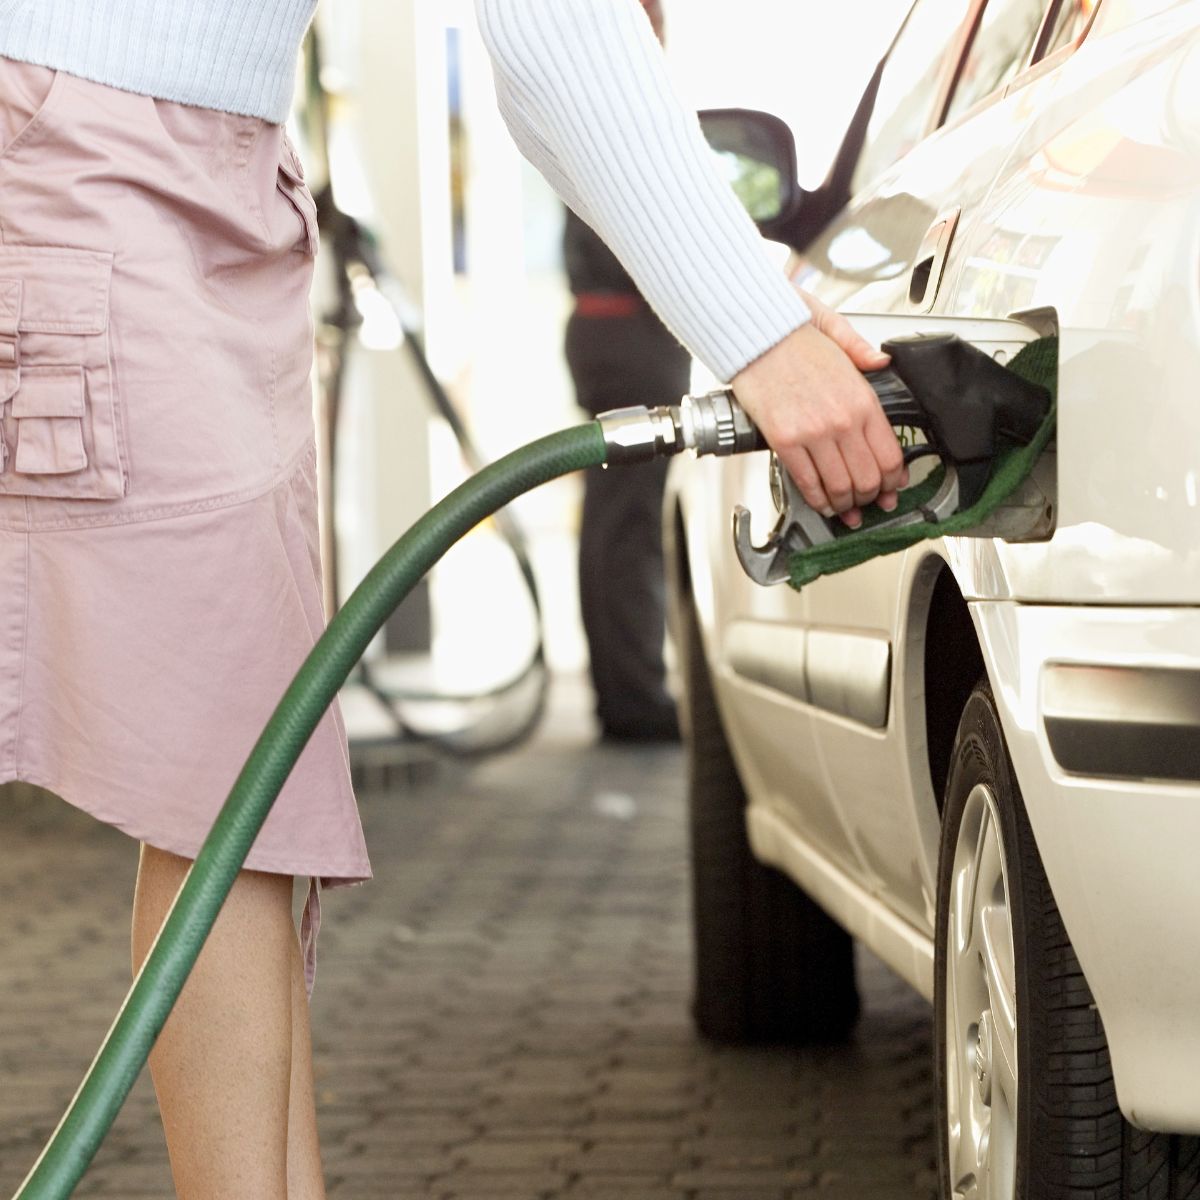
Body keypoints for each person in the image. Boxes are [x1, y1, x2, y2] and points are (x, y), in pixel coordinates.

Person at [0, 1, 905, 1196]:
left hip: (179, 161)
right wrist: (757, 330)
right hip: (90, 157)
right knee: (228, 787)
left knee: (247, 800)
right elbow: (557, 33)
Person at [563, 0, 686, 743]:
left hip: (615, 333)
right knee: (627, 523)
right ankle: (633, 698)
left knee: (619, 521)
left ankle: (628, 691)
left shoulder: (594, 95)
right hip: (626, 335)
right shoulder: (612, 95)